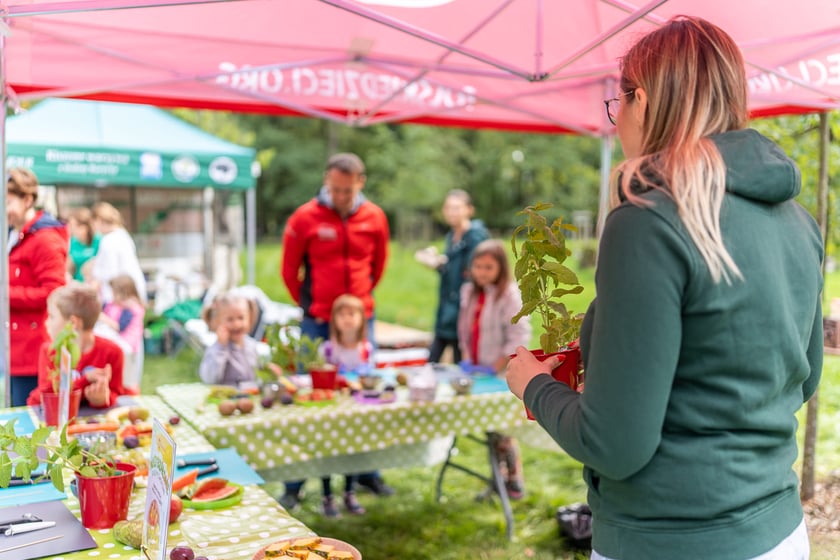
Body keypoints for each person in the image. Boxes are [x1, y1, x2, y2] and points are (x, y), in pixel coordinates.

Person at [506, 17, 822, 560]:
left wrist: (532, 384)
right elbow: (803, 376)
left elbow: (615, 446)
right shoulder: (797, 220)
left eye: (617, 103)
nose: (616, 121)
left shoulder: (649, 221)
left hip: (671, 539)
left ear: (643, 100)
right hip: (779, 531)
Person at [280, 152, 392, 508]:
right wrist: (313, 307)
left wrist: (358, 307)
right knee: (309, 399)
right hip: (317, 322)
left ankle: (365, 474)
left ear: (361, 182)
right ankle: (294, 484)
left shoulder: (375, 217)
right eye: (335, 189)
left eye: (347, 190)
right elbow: (289, 269)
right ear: (326, 181)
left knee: (364, 397)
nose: (341, 196)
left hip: (358, 322)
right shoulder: (304, 217)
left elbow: (379, 265)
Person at [456, 240, 531, 499]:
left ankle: (514, 479)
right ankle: (496, 479)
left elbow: (518, 335)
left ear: (501, 268)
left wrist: (496, 365)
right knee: (489, 429)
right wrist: (466, 356)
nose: (482, 272)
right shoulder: (470, 292)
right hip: (475, 370)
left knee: (502, 428)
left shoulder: (510, 295)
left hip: (499, 374)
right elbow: (465, 328)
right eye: (477, 266)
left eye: (488, 267)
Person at [6, 168, 69, 406]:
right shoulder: (16, 233)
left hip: (33, 350)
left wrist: (6, 296)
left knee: (30, 423)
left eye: (8, 202)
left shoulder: (44, 238)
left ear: (28, 200)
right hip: (16, 347)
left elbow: (54, 293)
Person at [312, 294, 375, 517]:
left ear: (361, 318)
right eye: (342, 314)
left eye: (352, 313)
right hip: (332, 411)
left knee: (353, 450)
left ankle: (349, 491)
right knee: (327, 450)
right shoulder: (328, 349)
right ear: (334, 319)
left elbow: (369, 376)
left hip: (355, 411)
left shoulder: (366, 348)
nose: (347, 319)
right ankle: (327, 495)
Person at [416, 189, 489, 364]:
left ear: (469, 210)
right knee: (434, 357)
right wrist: (438, 264)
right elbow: (453, 268)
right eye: (448, 208)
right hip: (446, 309)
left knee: (458, 358)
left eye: (456, 208)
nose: (451, 212)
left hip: (464, 310)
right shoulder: (452, 236)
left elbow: (478, 274)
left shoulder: (476, 238)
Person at [27, 283, 126, 409]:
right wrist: (85, 380)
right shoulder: (50, 351)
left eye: (52, 317)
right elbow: (43, 397)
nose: (46, 323)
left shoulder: (113, 352)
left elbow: (116, 395)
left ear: (73, 322)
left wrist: (103, 399)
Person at [198, 293, 260, 388]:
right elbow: (209, 379)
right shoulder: (216, 349)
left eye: (241, 318)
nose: (237, 324)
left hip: (249, 398)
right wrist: (221, 347)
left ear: (249, 318)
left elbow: (255, 374)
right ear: (217, 322)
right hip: (226, 399)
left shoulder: (251, 345)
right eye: (230, 320)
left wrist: (267, 370)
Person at [91, 201, 147, 305]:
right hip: (131, 293)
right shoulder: (122, 235)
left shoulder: (108, 240)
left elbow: (110, 273)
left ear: (98, 220)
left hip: (119, 297)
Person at [99, 274, 146, 391]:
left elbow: (120, 326)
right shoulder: (114, 305)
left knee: (127, 378)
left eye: (115, 293)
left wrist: (102, 318)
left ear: (124, 293)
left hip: (128, 348)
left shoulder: (131, 308)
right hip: (120, 347)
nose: (113, 296)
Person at [66, 207, 101, 282]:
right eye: (71, 226)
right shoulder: (73, 242)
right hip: (78, 285)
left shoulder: (99, 240)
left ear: (86, 226)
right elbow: (69, 268)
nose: (72, 229)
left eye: (76, 226)